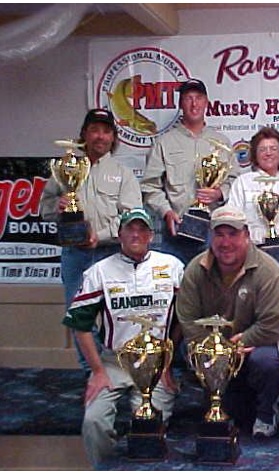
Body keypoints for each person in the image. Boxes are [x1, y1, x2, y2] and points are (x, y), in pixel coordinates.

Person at [61, 208, 185, 466]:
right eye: (130, 229)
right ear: (119, 235)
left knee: (150, 423)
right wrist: (97, 371)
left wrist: (166, 363)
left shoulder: (172, 266)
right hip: (113, 361)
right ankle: (104, 467)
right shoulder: (99, 271)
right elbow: (79, 324)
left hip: (155, 362)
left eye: (142, 229)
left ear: (151, 235)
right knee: (94, 421)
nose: (135, 234)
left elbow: (185, 316)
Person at [40, 108, 142, 374]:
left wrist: (102, 235)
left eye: (106, 131)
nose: (100, 136)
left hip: (112, 255)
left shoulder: (123, 174)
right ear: (84, 134)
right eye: (94, 130)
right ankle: (93, 373)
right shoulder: (66, 168)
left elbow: (132, 218)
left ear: (114, 137)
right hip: (75, 255)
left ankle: (119, 372)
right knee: (79, 317)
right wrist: (58, 205)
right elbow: (44, 208)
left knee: (117, 316)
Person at [175, 205, 279, 438]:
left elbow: (272, 323)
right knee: (190, 350)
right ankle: (221, 400)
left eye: (233, 234)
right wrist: (217, 350)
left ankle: (267, 413)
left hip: (254, 346)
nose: (225, 242)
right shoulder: (195, 270)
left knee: (267, 361)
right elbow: (188, 320)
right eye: (219, 234)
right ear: (210, 236)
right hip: (213, 349)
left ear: (247, 235)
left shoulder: (269, 271)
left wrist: (242, 342)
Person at [141, 78, 240, 264]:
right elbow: (149, 186)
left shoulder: (222, 143)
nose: (194, 104)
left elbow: (235, 180)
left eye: (199, 98)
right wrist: (166, 211)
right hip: (176, 231)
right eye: (188, 98)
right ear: (181, 104)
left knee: (213, 281)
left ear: (206, 102)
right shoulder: (164, 143)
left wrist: (220, 193)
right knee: (177, 281)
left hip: (215, 232)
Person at [228, 126, 279, 270]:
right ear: (255, 155)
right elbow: (234, 221)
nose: (268, 153)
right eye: (262, 149)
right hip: (253, 250)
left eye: (273, 149)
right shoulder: (243, 182)